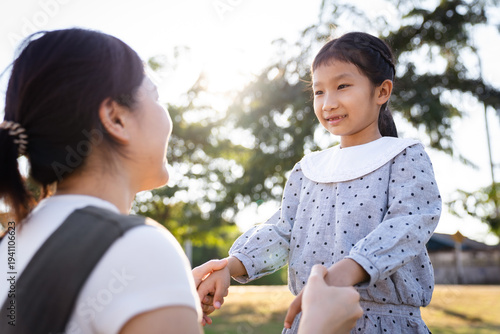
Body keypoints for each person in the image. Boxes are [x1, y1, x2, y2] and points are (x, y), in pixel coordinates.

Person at [197, 31, 441, 334]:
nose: (328, 103)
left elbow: (410, 223)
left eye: (342, 86)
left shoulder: (403, 155)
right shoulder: (309, 168)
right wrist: (228, 266)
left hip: (385, 323)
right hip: (312, 321)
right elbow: (283, 231)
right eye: (318, 91)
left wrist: (340, 275)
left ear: (382, 92)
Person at [0, 28, 226, 334]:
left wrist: (162, 307)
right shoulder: (138, 246)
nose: (166, 115)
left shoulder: (11, 243)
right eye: (156, 97)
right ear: (116, 118)